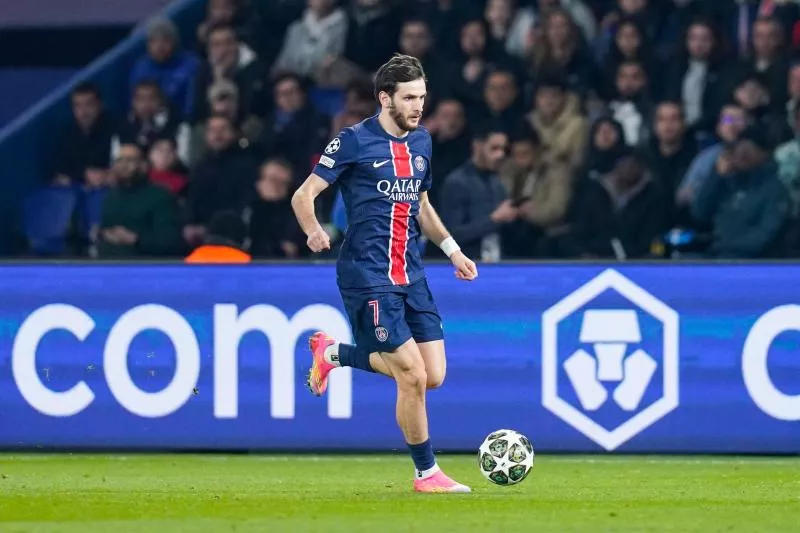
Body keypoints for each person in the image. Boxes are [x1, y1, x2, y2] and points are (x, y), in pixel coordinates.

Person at [291, 54, 477, 493]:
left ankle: (333, 354)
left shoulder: (423, 142)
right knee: (411, 376)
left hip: (410, 273)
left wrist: (452, 251)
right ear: (384, 98)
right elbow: (304, 195)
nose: (418, 106)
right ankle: (426, 473)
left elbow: (423, 206)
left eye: (422, 97)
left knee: (433, 376)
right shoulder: (354, 140)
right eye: (409, 97)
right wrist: (315, 231)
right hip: (366, 275)